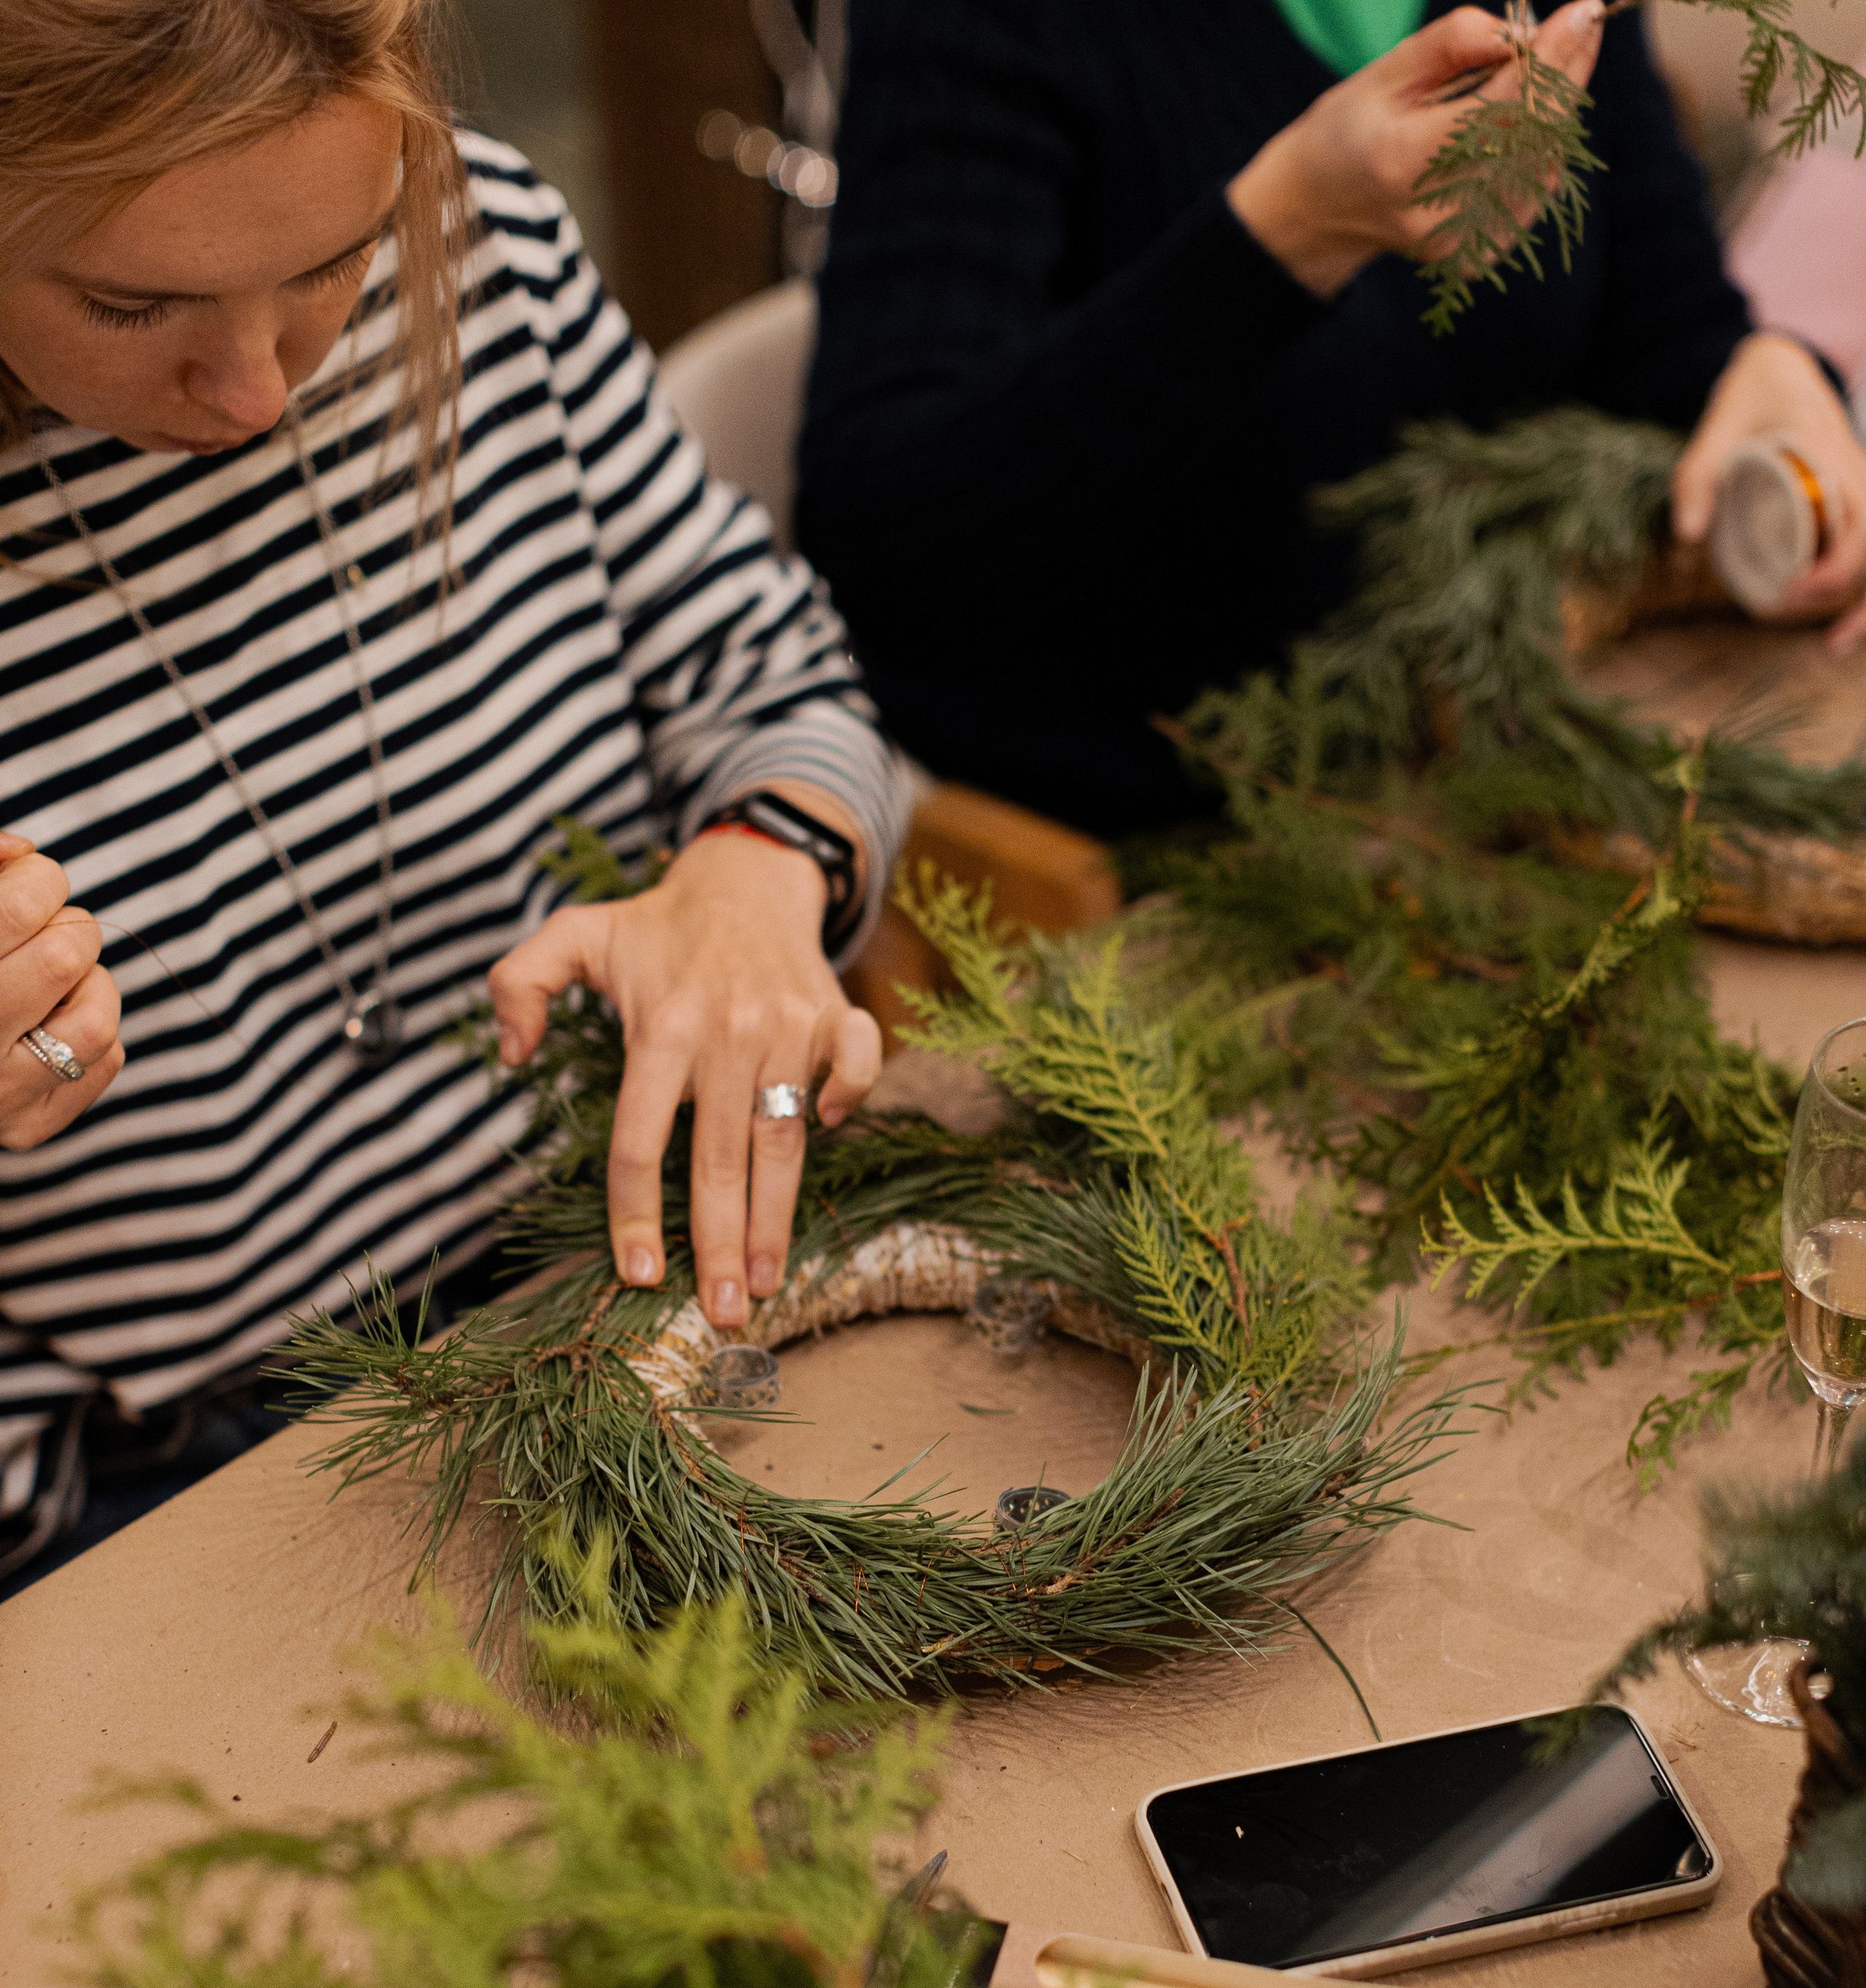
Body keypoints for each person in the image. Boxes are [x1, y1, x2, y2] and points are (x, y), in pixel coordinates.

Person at [0, 0, 913, 1584]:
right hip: (159, 1465)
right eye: (133, 303)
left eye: (333, 264)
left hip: (623, 1273)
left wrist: (764, 869)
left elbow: (776, 684)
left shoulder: (487, 250)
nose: (256, 392)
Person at [799, 0, 1866, 837]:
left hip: (1483, 780)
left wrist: (1768, 375)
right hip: (1156, 843)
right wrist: (1287, 229)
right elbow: (893, 542)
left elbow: (1657, 337)